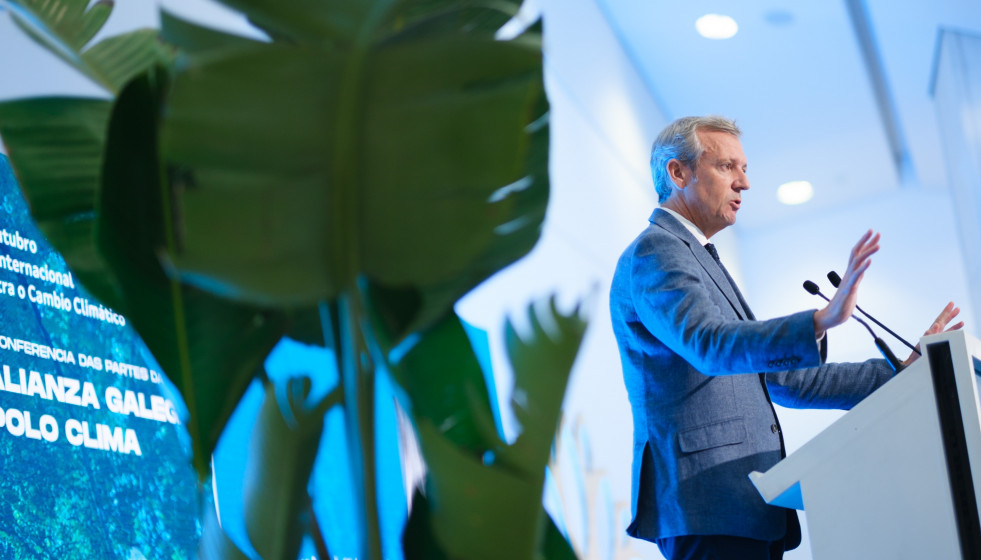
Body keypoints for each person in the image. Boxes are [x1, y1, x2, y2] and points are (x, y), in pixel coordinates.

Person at [609, 115, 963, 560]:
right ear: (678, 173)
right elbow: (709, 345)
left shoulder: (699, 257)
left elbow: (787, 382)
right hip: (707, 504)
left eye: (745, 168)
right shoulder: (655, 252)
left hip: (745, 508)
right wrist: (820, 320)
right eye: (727, 167)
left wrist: (900, 373)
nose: (745, 183)